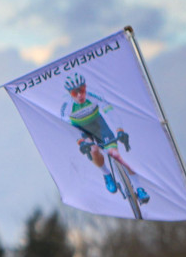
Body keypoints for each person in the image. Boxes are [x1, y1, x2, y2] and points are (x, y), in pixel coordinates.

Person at [60, 73, 149, 202]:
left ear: (86, 87)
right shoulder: (66, 107)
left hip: (99, 125)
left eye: (82, 90)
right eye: (75, 93)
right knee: (94, 150)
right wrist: (81, 141)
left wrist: (119, 130)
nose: (80, 95)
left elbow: (110, 112)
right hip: (82, 131)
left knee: (115, 154)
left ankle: (139, 188)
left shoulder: (94, 95)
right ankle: (106, 173)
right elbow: (69, 128)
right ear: (70, 93)